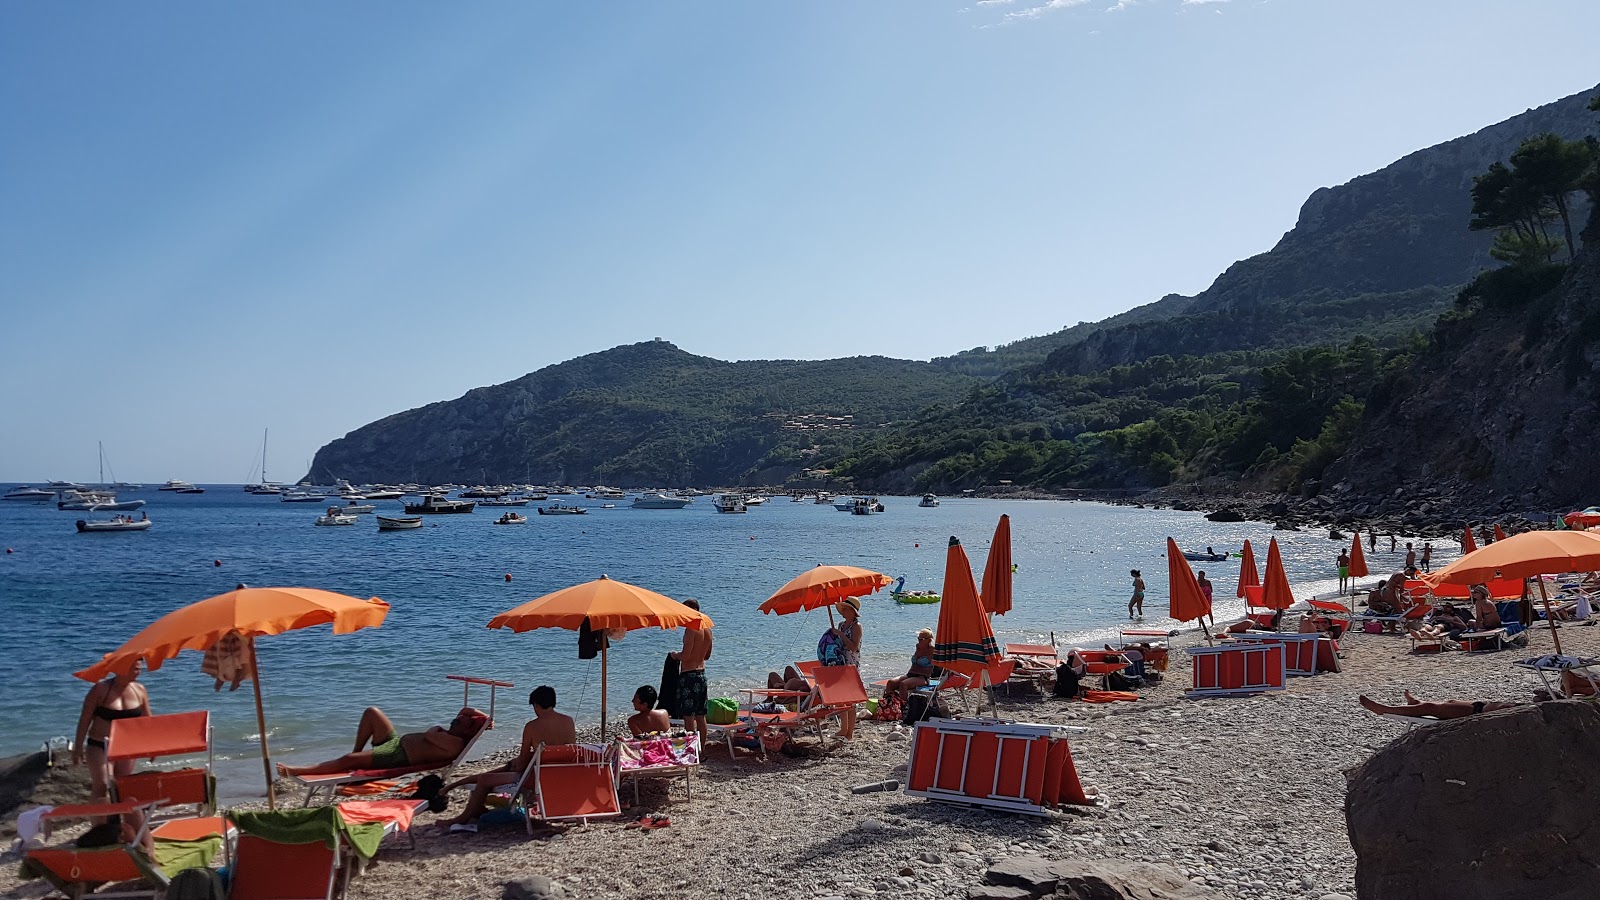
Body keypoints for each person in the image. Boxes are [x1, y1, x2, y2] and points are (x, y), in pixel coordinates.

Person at [436, 687, 574, 833]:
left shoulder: (532, 727)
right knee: (504, 768)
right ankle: (467, 801)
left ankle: (463, 817)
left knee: (484, 779)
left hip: (534, 778)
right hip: (561, 775)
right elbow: (570, 752)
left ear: (536, 705)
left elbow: (521, 765)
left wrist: (517, 763)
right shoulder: (568, 721)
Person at [275, 706, 485, 779]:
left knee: (348, 759)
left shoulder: (455, 743)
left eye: (458, 721)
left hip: (397, 756)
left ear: (465, 730)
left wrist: (434, 729)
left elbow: (430, 734)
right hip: (394, 743)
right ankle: (356, 757)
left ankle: (297, 770)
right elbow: (467, 710)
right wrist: (484, 718)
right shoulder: (452, 731)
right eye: (455, 719)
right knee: (372, 712)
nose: (455, 719)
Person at [73, 661, 151, 803]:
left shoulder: (139, 690)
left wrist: (151, 747)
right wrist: (77, 747)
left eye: (139, 669)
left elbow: (147, 721)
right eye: (134, 669)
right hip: (99, 745)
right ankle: (99, 822)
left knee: (123, 787)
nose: (138, 672)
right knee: (102, 785)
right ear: (121, 669)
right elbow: (85, 719)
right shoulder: (100, 689)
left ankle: (119, 822)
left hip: (125, 747)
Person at [670, 599, 712, 750]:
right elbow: (707, 656)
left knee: (689, 716)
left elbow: (686, 656)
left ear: (693, 610)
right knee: (701, 716)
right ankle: (702, 749)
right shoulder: (707, 629)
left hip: (689, 676)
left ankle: (690, 750)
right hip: (701, 675)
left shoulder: (690, 629)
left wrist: (675, 655)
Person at [828, 596, 865, 739]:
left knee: (851, 700)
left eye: (846, 609)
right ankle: (843, 729)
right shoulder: (841, 625)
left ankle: (850, 732)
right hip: (840, 662)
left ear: (852, 611)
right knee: (840, 698)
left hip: (851, 665)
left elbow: (854, 647)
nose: (843, 611)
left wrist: (841, 635)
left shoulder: (857, 626)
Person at [1359, 692, 1518, 720]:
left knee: (1431, 708)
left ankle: (1384, 709)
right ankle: (1416, 704)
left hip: (1477, 713)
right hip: (1481, 706)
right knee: (1449, 703)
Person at [882, 629, 937, 702]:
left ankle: (903, 704)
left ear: (929, 640)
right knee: (891, 682)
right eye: (918, 638)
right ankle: (889, 703)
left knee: (903, 684)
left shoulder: (933, 651)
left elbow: (940, 664)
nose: (919, 641)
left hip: (922, 677)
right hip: (910, 674)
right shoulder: (918, 647)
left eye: (921, 639)